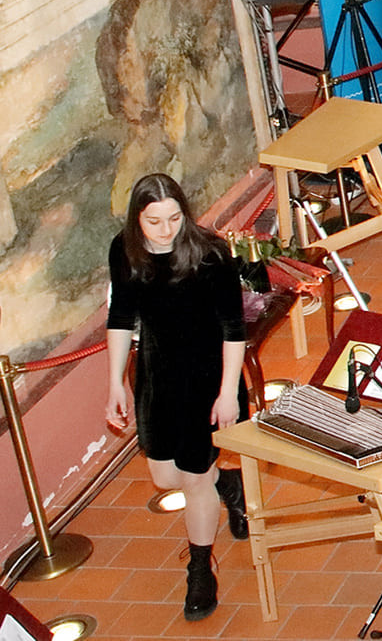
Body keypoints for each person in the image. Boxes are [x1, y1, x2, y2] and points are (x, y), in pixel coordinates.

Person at [105, 173, 247, 621]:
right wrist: (115, 382)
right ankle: (228, 482)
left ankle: (201, 569)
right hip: (158, 376)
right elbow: (120, 316)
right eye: (154, 221)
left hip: (208, 378)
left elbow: (233, 329)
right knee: (167, 478)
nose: (166, 230)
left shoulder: (210, 253)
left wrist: (228, 393)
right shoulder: (124, 250)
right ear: (137, 219)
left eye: (174, 218)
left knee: (194, 479)